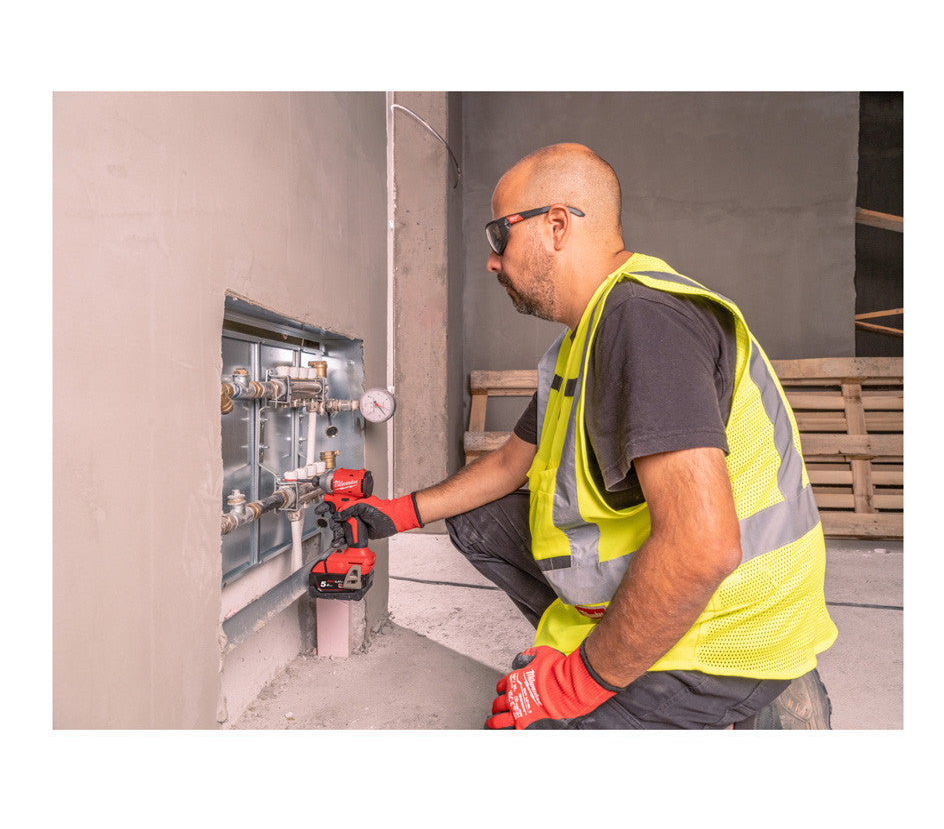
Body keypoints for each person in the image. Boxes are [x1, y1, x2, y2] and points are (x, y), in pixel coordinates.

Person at [320, 142, 838, 729]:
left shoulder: (644, 320)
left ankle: (745, 701)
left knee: (532, 727)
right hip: (696, 591)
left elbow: (702, 547)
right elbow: (508, 466)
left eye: (499, 235)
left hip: (728, 630)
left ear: (557, 225)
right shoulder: (583, 338)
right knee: (474, 519)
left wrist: (571, 686)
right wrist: (398, 513)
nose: (492, 261)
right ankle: (615, 648)